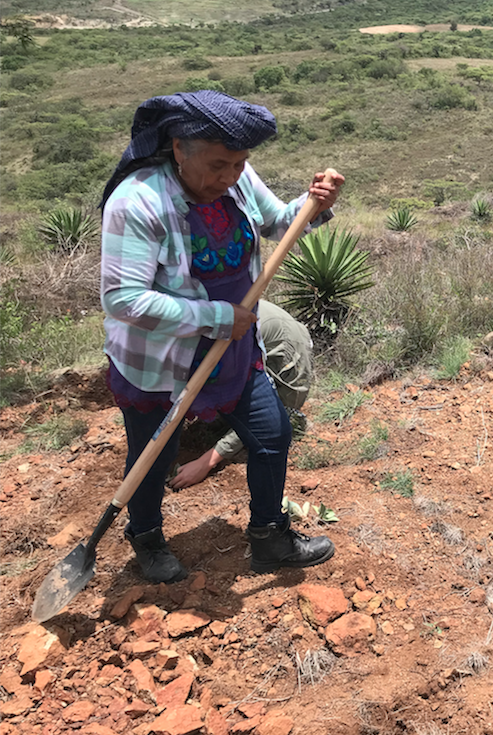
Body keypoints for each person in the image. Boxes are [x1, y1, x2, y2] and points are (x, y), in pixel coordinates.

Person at [100, 90, 345, 583]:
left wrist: (313, 205)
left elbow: (277, 223)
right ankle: (146, 537)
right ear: (178, 148)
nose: (230, 176)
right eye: (218, 165)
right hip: (161, 359)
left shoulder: (237, 178)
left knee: (272, 432)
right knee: (154, 454)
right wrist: (214, 317)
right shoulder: (137, 201)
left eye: (239, 163)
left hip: (233, 348)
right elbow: (123, 300)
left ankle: (270, 537)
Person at [170, 299, 313, 490]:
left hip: (288, 350)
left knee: (272, 423)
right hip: (250, 331)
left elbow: (259, 415)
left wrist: (206, 462)